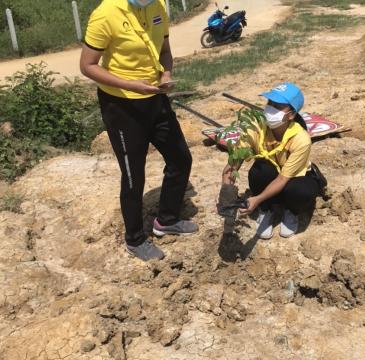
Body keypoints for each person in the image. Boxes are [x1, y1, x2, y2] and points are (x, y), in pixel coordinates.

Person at [80, 0, 198, 262]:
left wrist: (166, 75)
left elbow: (164, 50)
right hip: (121, 107)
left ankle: (166, 220)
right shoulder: (106, 14)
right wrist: (130, 85)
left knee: (181, 158)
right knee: (134, 176)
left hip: (155, 98)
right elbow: (87, 65)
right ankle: (135, 239)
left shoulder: (157, 7)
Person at [221, 83, 325, 239]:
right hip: (271, 174)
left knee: (301, 191)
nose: (270, 109)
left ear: (291, 114)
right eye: (270, 103)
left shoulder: (301, 139)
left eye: (278, 106)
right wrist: (226, 191)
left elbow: (283, 178)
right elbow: (234, 162)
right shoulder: (255, 128)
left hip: (292, 178)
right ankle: (267, 209)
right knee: (259, 171)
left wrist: (257, 198)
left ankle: (291, 211)